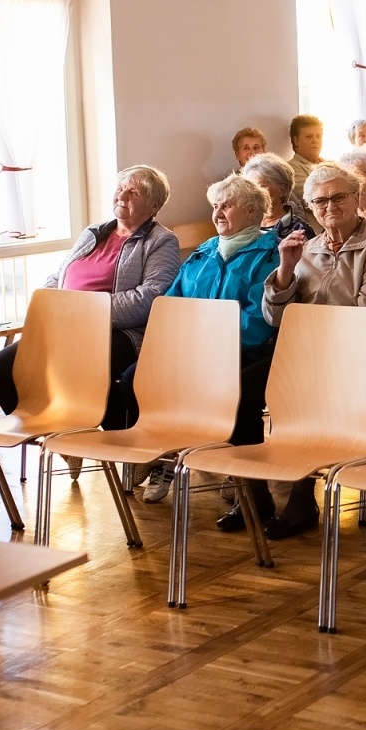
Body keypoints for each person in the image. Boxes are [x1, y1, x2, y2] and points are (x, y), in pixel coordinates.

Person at [233, 162, 366, 538]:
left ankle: (302, 493)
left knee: (308, 394)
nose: (329, 206)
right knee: (241, 389)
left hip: (352, 358)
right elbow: (275, 317)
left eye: (339, 197)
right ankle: (254, 492)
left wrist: (310, 330)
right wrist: (284, 272)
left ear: (357, 199)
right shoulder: (303, 249)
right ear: (309, 206)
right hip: (303, 355)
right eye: (320, 201)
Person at [126, 175, 281, 505]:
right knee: (132, 378)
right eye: (215, 206)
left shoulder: (270, 255)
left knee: (235, 391)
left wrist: (208, 338)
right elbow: (170, 303)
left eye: (227, 205)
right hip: (194, 350)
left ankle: (250, 488)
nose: (218, 212)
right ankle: (165, 453)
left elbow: (258, 321)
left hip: (244, 350)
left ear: (253, 212)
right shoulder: (204, 252)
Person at [0, 165, 180, 431]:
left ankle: (96, 432)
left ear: (154, 205)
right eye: (120, 189)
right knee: (0, 370)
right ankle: (56, 430)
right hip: (65, 327)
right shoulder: (94, 231)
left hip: (119, 332)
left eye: (133, 192)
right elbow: (57, 276)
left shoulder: (161, 241)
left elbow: (152, 297)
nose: (122, 196)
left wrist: (87, 312)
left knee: (76, 370)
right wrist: (52, 306)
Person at [241, 153, 312, 241]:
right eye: (250, 187)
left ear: (282, 190)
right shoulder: (243, 226)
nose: (253, 193)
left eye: (261, 186)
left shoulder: (299, 230)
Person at [285, 114, 326, 231]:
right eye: (309, 136)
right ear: (296, 140)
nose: (315, 141)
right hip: (317, 232)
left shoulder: (332, 164)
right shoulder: (290, 169)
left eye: (318, 136)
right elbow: (314, 197)